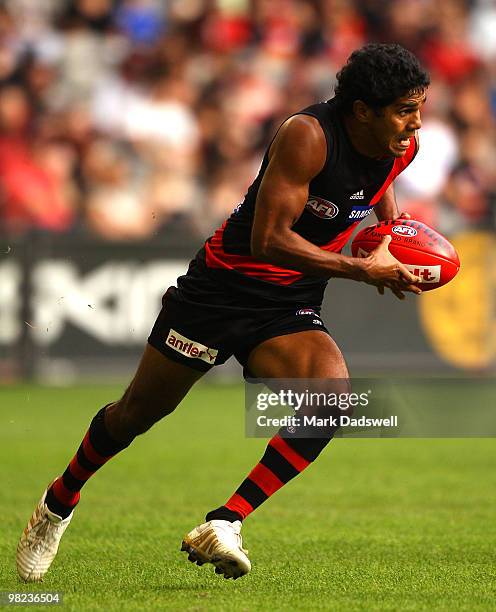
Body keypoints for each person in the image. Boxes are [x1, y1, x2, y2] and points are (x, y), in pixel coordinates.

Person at [16, 43, 429, 582]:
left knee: (333, 403)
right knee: (135, 416)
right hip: (219, 293)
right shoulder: (306, 137)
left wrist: (387, 237)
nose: (416, 121)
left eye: (419, 106)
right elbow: (268, 240)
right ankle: (58, 501)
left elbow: (380, 180)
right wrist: (362, 271)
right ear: (361, 111)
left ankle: (225, 521)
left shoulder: (403, 142)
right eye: (404, 109)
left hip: (288, 303)